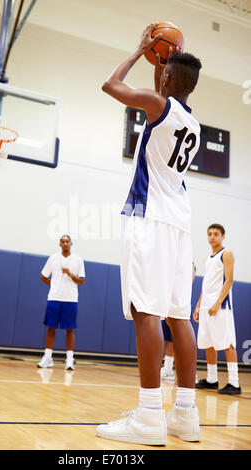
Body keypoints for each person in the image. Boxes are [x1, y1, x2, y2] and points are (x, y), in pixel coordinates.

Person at [96, 24, 202, 445]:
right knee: (179, 315)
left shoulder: (158, 106)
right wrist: (163, 60)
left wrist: (140, 51)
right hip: (181, 223)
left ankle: (148, 414)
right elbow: (169, 85)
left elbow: (110, 85)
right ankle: (185, 414)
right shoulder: (193, 124)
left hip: (151, 219)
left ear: (167, 80)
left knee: (146, 311)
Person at [193, 224, 241, 395]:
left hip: (221, 306)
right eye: (210, 234)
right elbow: (205, 285)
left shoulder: (226, 254)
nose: (212, 237)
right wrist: (199, 305)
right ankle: (212, 379)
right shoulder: (208, 259)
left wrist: (217, 303)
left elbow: (229, 281)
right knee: (208, 343)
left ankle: (234, 383)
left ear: (223, 236)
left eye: (216, 234)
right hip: (207, 306)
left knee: (227, 342)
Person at [38, 235, 85, 371]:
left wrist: (70, 274)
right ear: (60, 244)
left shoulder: (78, 260)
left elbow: (82, 281)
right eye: (62, 242)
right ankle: (48, 357)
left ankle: (69, 360)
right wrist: (53, 285)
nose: (65, 244)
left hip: (70, 299)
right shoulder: (53, 259)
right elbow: (43, 276)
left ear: (71, 243)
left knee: (70, 329)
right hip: (54, 298)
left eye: (67, 242)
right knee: (51, 327)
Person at [161, 262, 197, 382]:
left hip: (179, 305)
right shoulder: (170, 260)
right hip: (167, 304)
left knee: (180, 339)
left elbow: (187, 281)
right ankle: (167, 369)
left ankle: (190, 373)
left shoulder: (188, 264)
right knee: (169, 339)